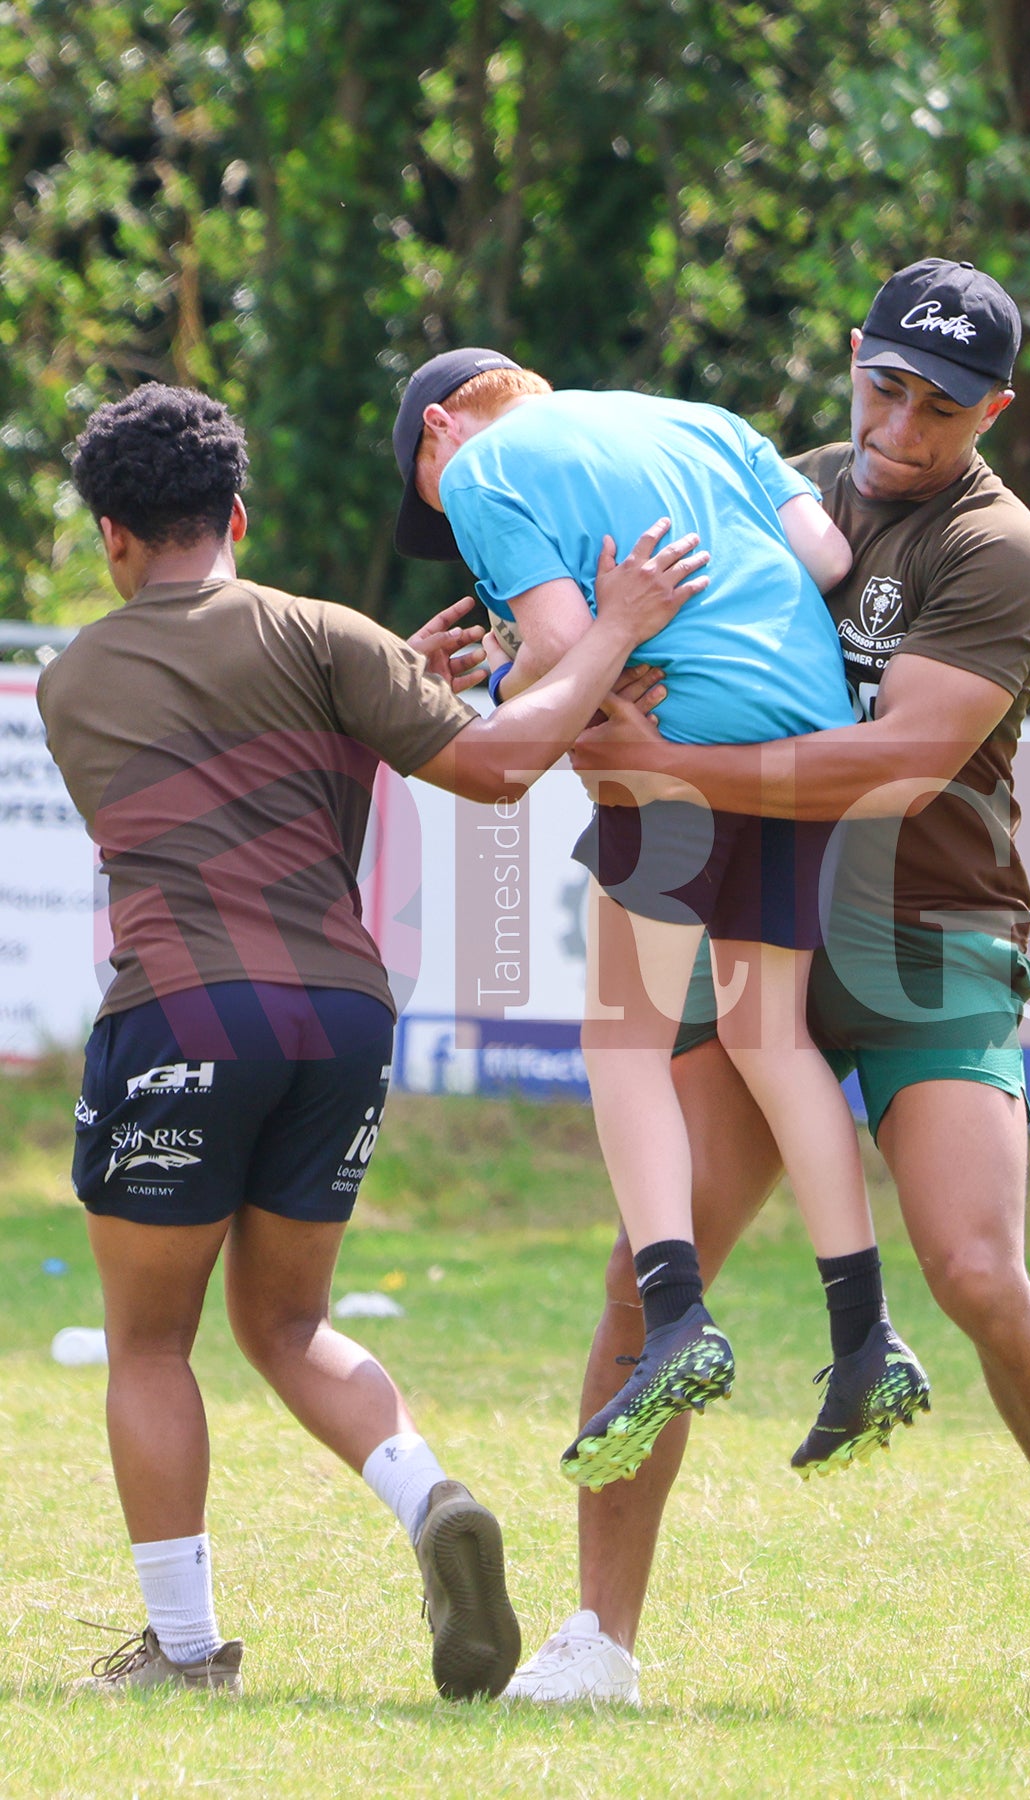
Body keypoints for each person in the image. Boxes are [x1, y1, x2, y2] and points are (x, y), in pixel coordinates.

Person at [504, 259, 1030, 1727]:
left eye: (942, 404)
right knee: (644, 1271)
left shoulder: (1005, 549)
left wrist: (668, 769)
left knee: (978, 1273)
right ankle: (600, 1637)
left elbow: (898, 763)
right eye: (885, 382)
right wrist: (556, 682)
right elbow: (607, 635)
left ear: (995, 409)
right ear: (853, 357)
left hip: (926, 937)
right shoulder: (768, 484)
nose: (903, 422)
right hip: (753, 925)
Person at [38, 381, 699, 1699]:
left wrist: (404, 688)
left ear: (112, 536)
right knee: (289, 1320)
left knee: (153, 1344)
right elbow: (501, 763)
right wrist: (606, 628)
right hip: (338, 1016)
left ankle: (182, 1650)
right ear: (237, 512)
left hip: (181, 1008)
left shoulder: (72, 682)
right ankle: (432, 1497)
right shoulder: (330, 638)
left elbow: (215, 775)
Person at [391, 352, 932, 1494]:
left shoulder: (487, 471)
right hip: (799, 739)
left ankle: (675, 1313)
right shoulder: (705, 416)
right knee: (769, 1034)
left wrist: (493, 692)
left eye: (430, 497)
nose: (456, 526)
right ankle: (864, 1339)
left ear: (444, 428)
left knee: (622, 1039)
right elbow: (826, 556)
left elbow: (550, 639)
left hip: (678, 744)